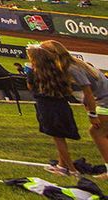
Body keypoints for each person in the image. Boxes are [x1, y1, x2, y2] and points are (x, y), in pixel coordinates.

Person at [43, 40, 108, 173]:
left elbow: (88, 92)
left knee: (96, 132)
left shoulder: (71, 68)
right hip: (102, 98)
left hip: (104, 99)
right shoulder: (74, 64)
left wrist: (92, 114)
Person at [26, 44, 80, 176]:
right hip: (62, 105)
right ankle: (61, 166)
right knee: (60, 137)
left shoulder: (34, 72)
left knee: (58, 139)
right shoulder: (58, 69)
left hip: (46, 107)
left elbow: (30, 87)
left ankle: (72, 170)